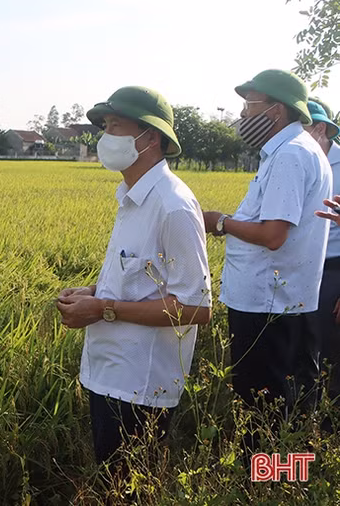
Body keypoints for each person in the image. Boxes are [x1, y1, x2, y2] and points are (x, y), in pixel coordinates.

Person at [57, 86, 212, 475]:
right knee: (113, 480)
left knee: (128, 485)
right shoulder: (132, 197)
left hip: (141, 386)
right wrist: (92, 293)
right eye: (105, 126)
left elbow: (197, 307)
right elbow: (142, 278)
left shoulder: (172, 205)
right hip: (110, 372)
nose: (105, 137)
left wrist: (103, 308)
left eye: (116, 126)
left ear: (150, 137)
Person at [202, 70, 332, 433]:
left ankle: (265, 482)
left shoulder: (290, 155)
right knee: (287, 408)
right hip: (284, 303)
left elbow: (274, 235)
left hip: (268, 308)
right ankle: (285, 481)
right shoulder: (296, 151)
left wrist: (221, 222)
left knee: (265, 414)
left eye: (249, 104)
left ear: (275, 110)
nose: (242, 115)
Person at [306, 100, 340, 419]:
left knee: (331, 348)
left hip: (334, 269)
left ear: (320, 129)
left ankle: (329, 425)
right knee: (304, 346)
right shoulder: (296, 161)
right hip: (302, 267)